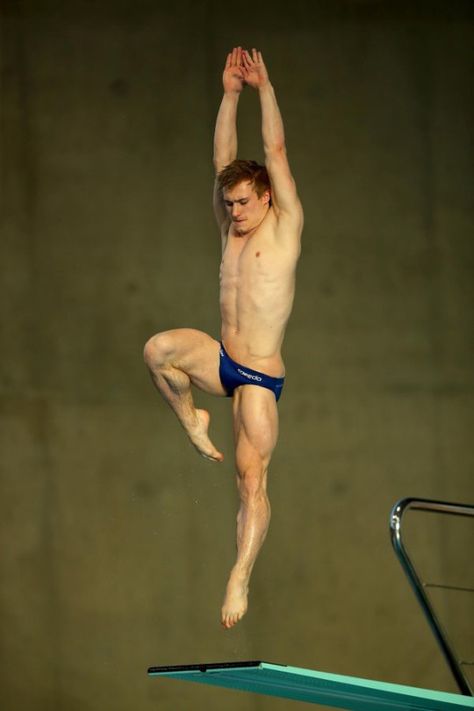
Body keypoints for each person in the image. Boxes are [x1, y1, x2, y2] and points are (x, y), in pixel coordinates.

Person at [144, 47, 303, 629]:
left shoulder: (283, 226)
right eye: (228, 202)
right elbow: (223, 158)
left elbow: (276, 152)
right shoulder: (230, 225)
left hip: (259, 376)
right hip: (222, 360)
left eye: (243, 202)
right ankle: (192, 420)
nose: (234, 211)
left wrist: (262, 89)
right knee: (158, 350)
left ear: (266, 197)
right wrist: (229, 94)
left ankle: (239, 577)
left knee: (251, 481)